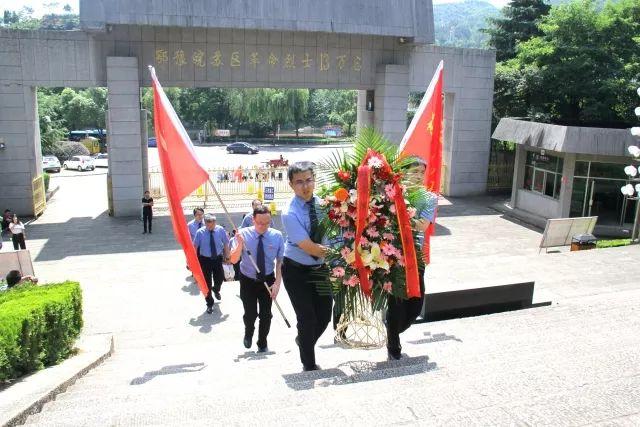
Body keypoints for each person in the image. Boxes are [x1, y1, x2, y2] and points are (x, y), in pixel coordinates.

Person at [281, 161, 332, 371]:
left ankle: (303, 341)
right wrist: (343, 255)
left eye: (309, 180)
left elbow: (335, 234)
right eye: (299, 182)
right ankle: (309, 365)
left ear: (314, 180)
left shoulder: (325, 205)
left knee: (324, 316)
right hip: (296, 270)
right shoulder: (289, 213)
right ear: (291, 184)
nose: (305, 186)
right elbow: (310, 247)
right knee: (307, 317)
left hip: (320, 269)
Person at [385, 157, 437, 360]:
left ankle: (392, 327)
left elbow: (422, 225)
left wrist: (398, 214)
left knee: (416, 303)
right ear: (403, 173)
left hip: (416, 255)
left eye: (421, 172)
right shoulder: (391, 193)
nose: (417, 175)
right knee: (396, 302)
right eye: (413, 171)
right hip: (392, 254)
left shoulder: (429, 198)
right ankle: (393, 347)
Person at [229, 205, 284, 352]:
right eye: (260, 223)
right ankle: (248, 332)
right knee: (250, 313)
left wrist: (278, 283)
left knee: (266, 315)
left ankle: (262, 342)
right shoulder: (242, 234)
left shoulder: (277, 236)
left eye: (267, 223)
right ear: (253, 220)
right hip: (247, 279)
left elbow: (280, 262)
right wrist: (240, 244)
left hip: (267, 279)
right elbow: (233, 260)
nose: (263, 226)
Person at [193, 214, 230, 313]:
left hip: (217, 258)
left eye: (213, 224)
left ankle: (216, 289)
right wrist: (192, 261)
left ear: (215, 222)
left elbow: (226, 243)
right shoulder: (200, 232)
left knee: (220, 278)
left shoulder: (220, 230)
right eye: (208, 224)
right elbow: (195, 247)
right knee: (206, 283)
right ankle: (209, 303)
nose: (211, 226)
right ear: (205, 223)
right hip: (205, 260)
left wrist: (227, 256)